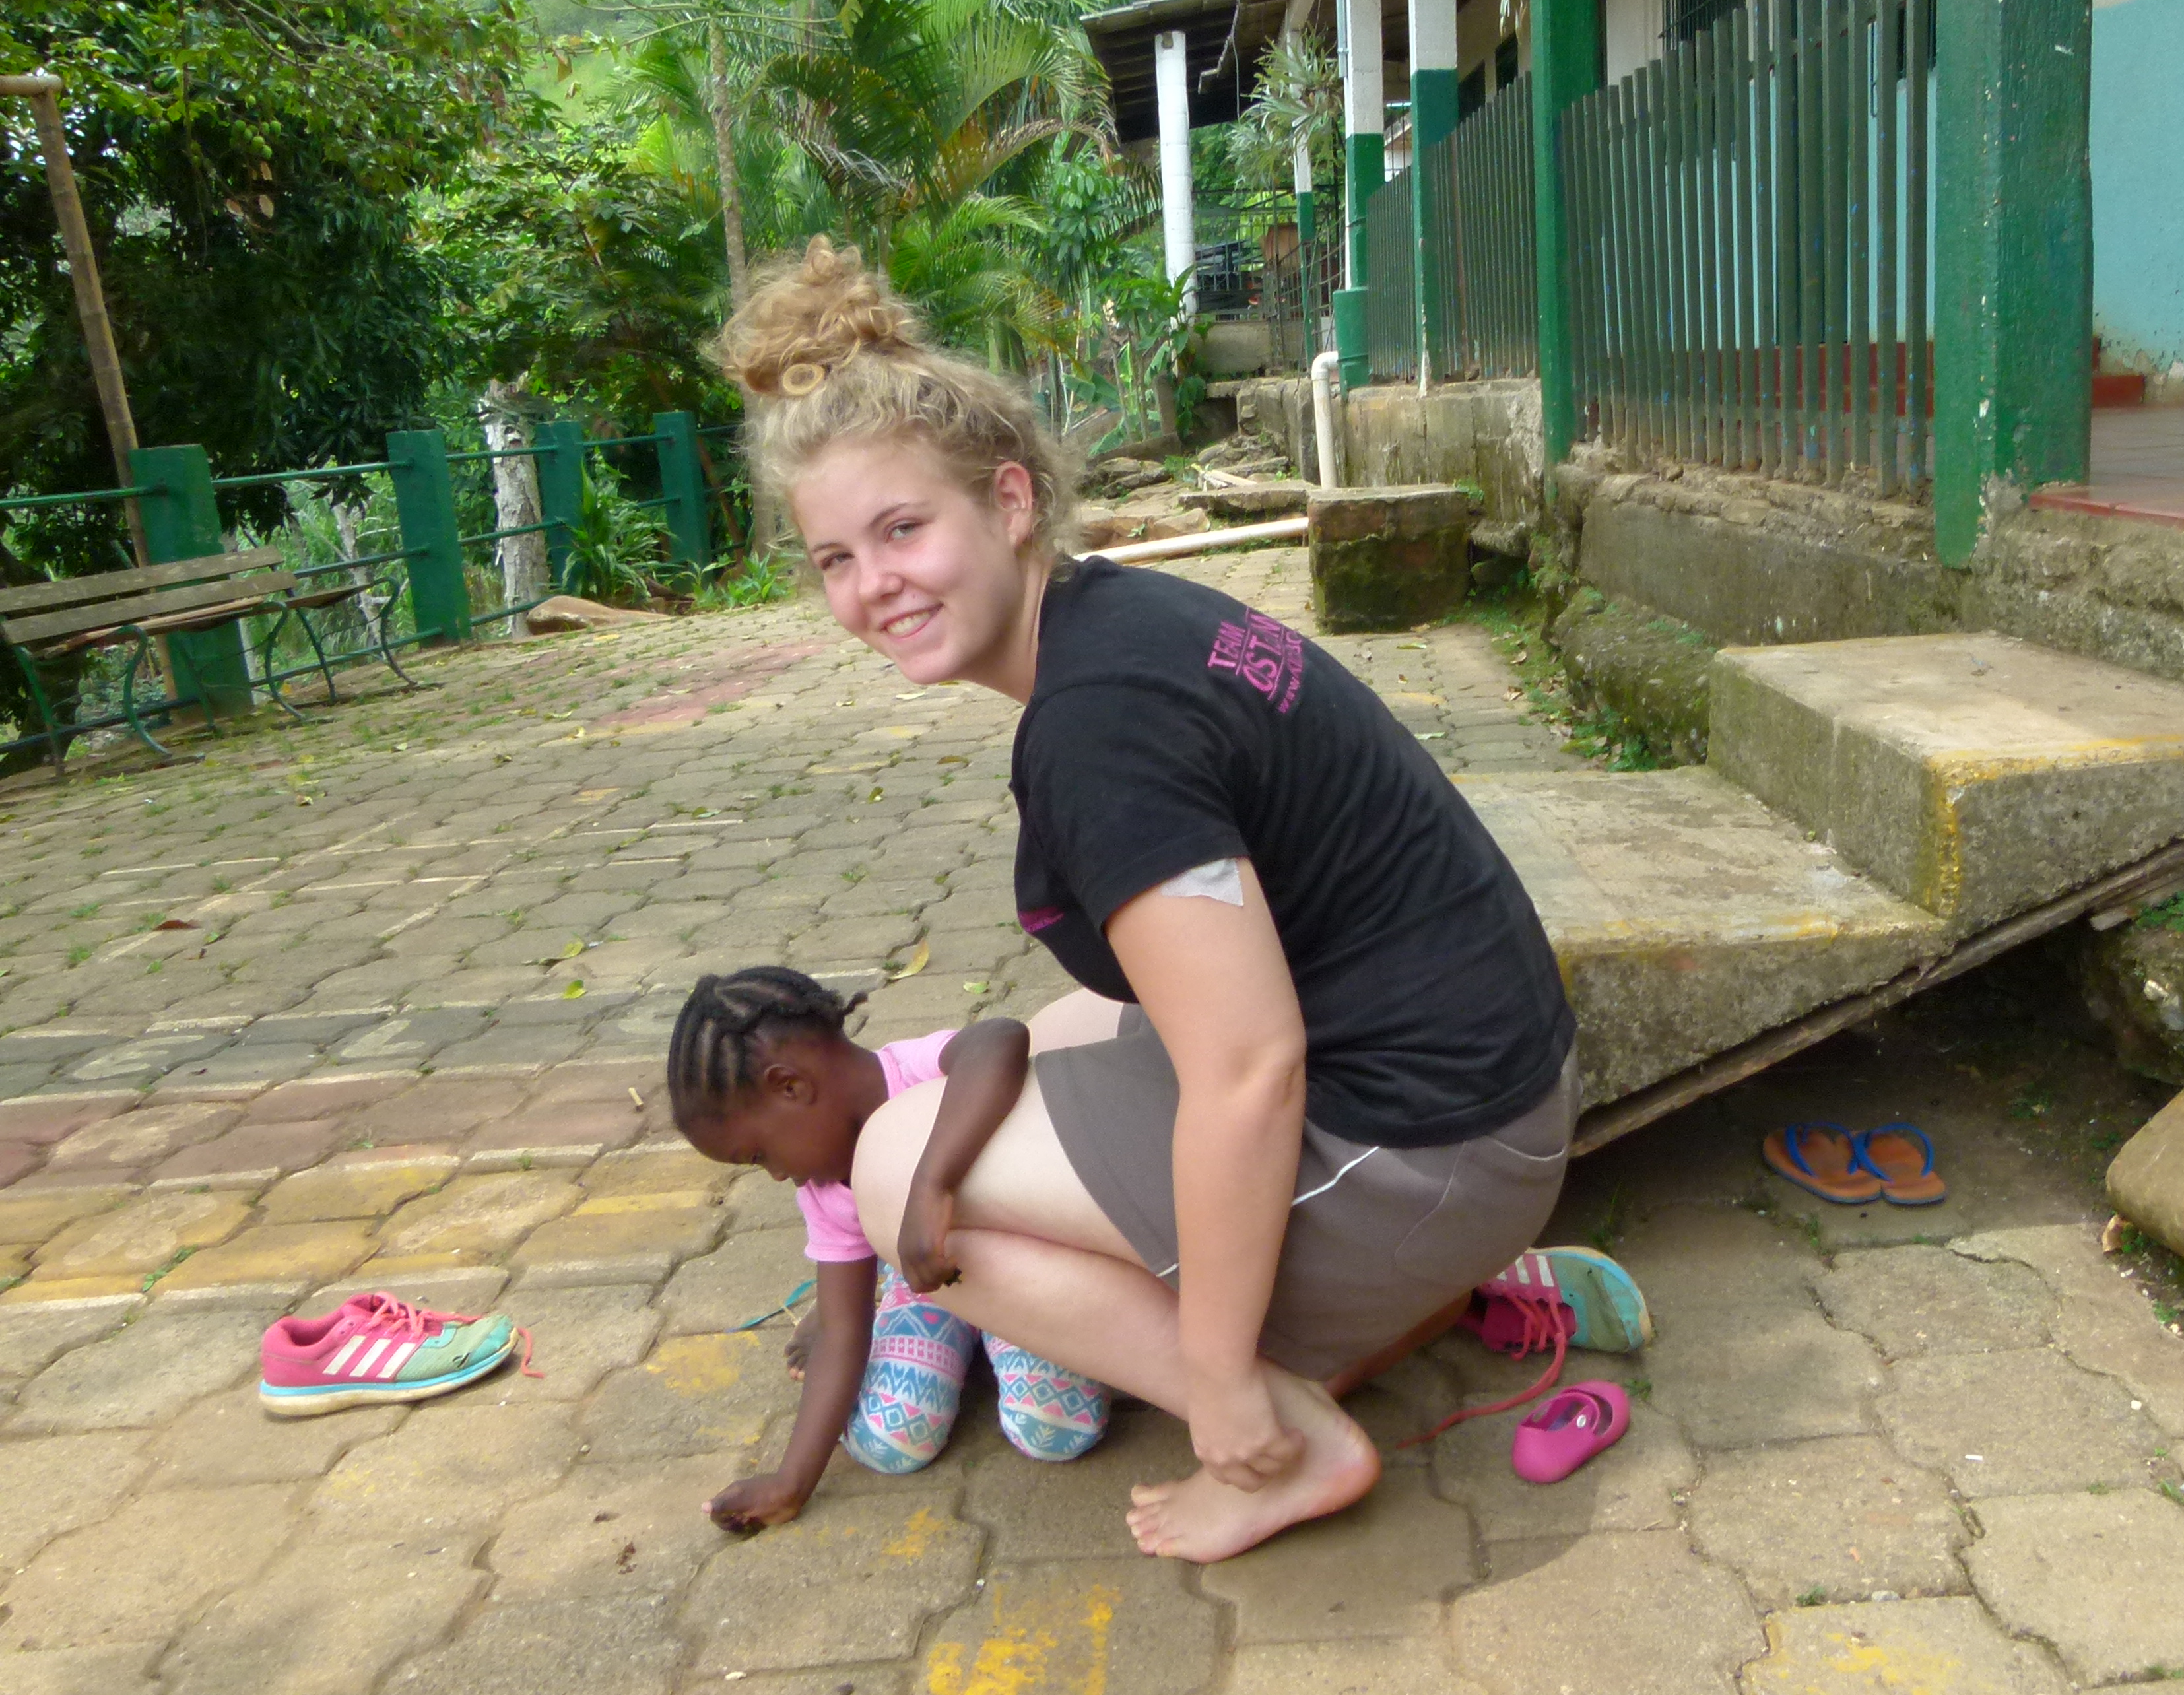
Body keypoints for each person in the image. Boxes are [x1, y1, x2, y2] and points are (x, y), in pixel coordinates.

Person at [714, 238, 1582, 1562]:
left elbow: (1249, 1069)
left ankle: (1280, 1431)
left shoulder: (1099, 727)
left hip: (1441, 1152)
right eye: (836, 557)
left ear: (1010, 502)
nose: (871, 584)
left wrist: (1218, 1377)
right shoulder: (1115, 622)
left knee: (892, 1173)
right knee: (1046, 1038)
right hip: (1479, 1094)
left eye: (903, 529)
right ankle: (1287, 1331)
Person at [665, 966, 1112, 1533]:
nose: (775, 1175)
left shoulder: (914, 1073)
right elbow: (843, 1334)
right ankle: (922, 1317)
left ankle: (982, 1343)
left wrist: (931, 1186)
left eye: (759, 1156)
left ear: (790, 1086)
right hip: (927, 1287)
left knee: (1056, 1430)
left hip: (1018, 1267)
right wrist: (791, 1482)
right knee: (890, 1442)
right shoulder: (824, 1189)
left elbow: (1000, 1038)